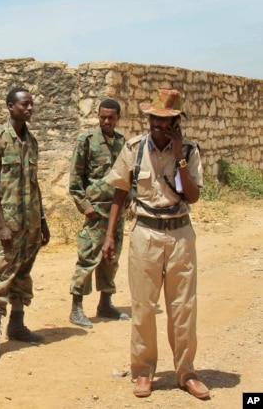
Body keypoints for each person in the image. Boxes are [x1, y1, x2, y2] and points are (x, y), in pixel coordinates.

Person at [101, 89, 210, 400]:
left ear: (177, 123)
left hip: (180, 234)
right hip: (145, 234)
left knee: (183, 307)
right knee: (144, 307)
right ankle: (144, 371)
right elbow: (120, 193)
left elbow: (193, 196)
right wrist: (110, 235)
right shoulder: (134, 149)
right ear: (148, 120)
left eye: (167, 123)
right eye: (155, 121)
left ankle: (186, 372)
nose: (159, 127)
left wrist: (179, 158)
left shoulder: (188, 151)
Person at [0, 87, 51, 363]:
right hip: (9, 224)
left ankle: (17, 325)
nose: (30, 108)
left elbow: (34, 185)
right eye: (25, 104)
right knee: (1, 277)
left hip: (31, 223)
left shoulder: (31, 141)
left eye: (32, 103)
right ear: (10, 106)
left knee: (23, 275)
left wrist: (42, 220)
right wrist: (1, 225)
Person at [68, 99, 129, 329]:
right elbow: (75, 179)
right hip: (96, 211)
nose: (106, 121)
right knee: (88, 258)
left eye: (111, 117)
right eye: (103, 117)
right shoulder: (87, 141)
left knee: (111, 259)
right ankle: (76, 309)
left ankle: (105, 303)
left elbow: (127, 176)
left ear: (117, 118)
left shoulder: (123, 143)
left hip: (117, 210)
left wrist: (129, 198)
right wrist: (85, 206)